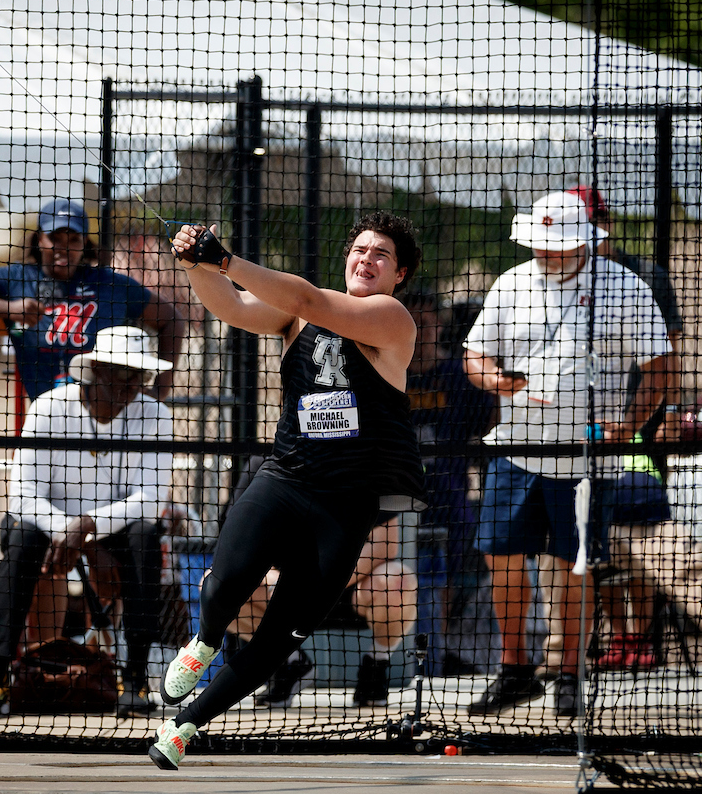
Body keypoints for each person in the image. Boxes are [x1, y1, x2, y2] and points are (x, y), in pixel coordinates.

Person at [151, 212, 425, 770]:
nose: (366, 259)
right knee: (225, 580)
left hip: (343, 508)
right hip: (286, 479)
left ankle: (185, 727)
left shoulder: (391, 319)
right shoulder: (295, 315)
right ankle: (203, 640)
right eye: (360, 250)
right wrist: (195, 262)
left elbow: (307, 300)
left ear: (400, 275)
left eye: (381, 255)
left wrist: (225, 258)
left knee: (279, 637)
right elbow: (228, 306)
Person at [462, 190, 671, 718]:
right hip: (516, 448)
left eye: (558, 246)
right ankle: (514, 671)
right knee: (500, 558)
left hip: (586, 457)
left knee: (574, 565)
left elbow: (662, 366)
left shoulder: (624, 288)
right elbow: (475, 354)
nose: (547, 254)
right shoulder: (510, 283)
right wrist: (496, 381)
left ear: (587, 241)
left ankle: (571, 674)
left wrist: (629, 425)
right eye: (540, 245)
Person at [0, 325, 174, 719]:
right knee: (21, 539)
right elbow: (21, 494)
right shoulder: (48, 407)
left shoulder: (158, 415)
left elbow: (151, 501)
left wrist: (87, 528)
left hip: (111, 528)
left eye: (141, 376)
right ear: (95, 370)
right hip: (47, 525)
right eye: (125, 374)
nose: (134, 386)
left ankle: (135, 681)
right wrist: (72, 534)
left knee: (144, 540)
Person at [562, 186, 685, 673]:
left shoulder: (645, 275)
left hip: (642, 422)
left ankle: (642, 637)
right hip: (584, 422)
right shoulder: (568, 277)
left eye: (592, 224)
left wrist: (671, 411)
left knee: (640, 527)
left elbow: (671, 351)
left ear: (606, 224)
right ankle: (619, 637)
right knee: (595, 533)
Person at [0, 198, 186, 400]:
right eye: (55, 238)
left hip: (106, 413)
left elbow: (171, 319)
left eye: (73, 239)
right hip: (46, 417)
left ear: (85, 244)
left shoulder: (110, 284)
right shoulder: (17, 277)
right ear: (39, 240)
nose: (64, 247)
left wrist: (160, 391)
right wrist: (8, 308)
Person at [222, 456, 417, 708]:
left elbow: (383, 546)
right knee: (217, 587)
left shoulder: (367, 463)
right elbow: (243, 538)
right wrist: (280, 577)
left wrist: (324, 580)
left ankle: (375, 666)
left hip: (349, 589)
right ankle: (290, 663)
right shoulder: (264, 463)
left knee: (399, 580)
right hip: (283, 591)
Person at [404, 293, 498, 676]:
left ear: (440, 327)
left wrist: (494, 375)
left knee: (441, 575)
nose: (422, 331)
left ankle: (434, 658)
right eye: (415, 323)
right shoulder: (390, 369)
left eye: (428, 323)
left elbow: (487, 422)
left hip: (448, 494)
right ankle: (405, 656)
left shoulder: (458, 375)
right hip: (399, 491)